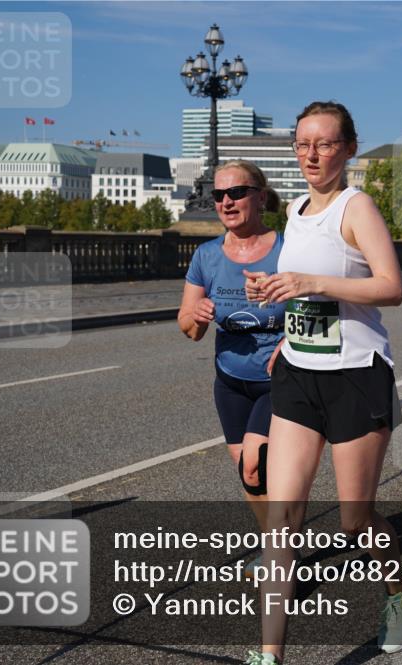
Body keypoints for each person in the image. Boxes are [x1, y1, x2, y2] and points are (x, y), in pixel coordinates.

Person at [242, 101, 402, 664]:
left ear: (348, 149)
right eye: (302, 144)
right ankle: (270, 656)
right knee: (281, 518)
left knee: (354, 520)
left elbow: (391, 288)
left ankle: (399, 589)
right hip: (298, 373)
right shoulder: (293, 209)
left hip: (357, 377)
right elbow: (304, 292)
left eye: (324, 143)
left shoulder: (356, 206)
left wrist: (311, 282)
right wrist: (275, 296)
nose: (311, 154)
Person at [178, 161, 283, 559]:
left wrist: (291, 337)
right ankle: (279, 543)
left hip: (280, 379)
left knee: (255, 464)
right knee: (249, 474)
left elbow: (322, 306)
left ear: (259, 195)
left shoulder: (288, 247)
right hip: (230, 380)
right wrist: (197, 314)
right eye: (218, 195)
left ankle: (280, 555)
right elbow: (188, 328)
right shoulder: (206, 255)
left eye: (236, 192)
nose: (226, 201)